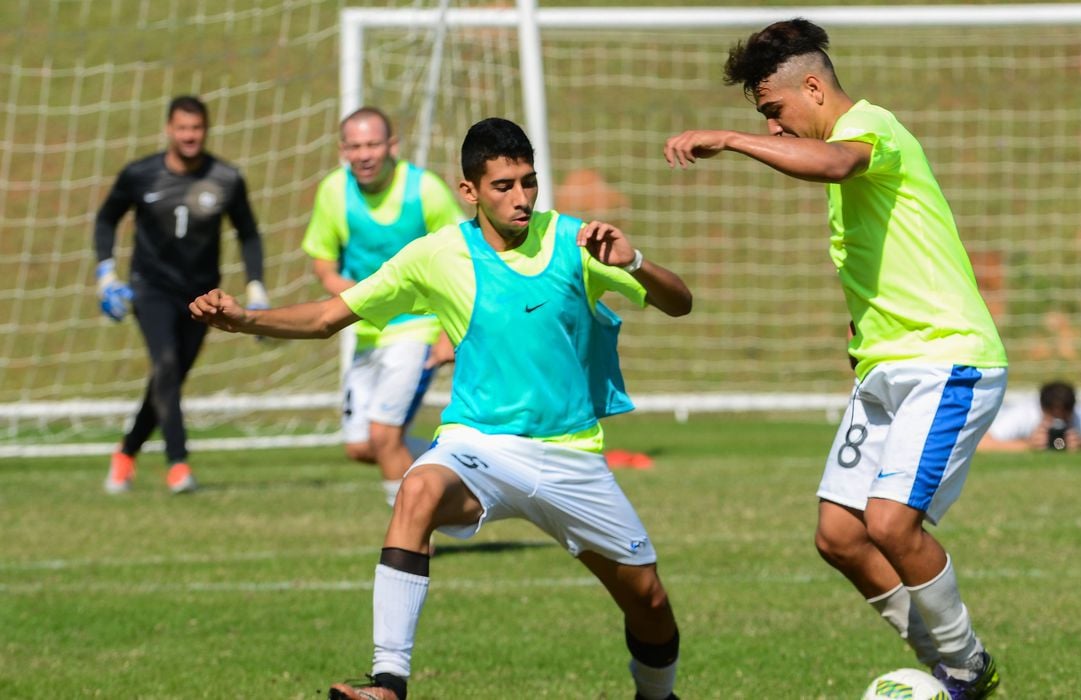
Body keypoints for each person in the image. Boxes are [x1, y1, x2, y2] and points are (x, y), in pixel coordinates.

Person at [191, 117, 693, 700]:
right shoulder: (436, 255)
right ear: (470, 191)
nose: (522, 198)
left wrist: (634, 262)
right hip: (478, 445)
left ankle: (657, 696)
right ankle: (388, 683)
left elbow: (679, 303)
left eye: (529, 182)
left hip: (569, 455)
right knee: (417, 489)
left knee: (648, 601)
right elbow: (331, 317)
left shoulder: (576, 241)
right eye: (503, 186)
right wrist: (244, 319)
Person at [664, 19, 1008, 699]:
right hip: (885, 367)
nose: (775, 129)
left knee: (888, 524)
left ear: (814, 88)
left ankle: (967, 669)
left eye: (774, 113)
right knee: (839, 537)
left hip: (946, 360)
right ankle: (953, 664)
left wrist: (731, 139)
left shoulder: (873, 129)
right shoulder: (844, 164)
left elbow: (837, 160)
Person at [95, 95, 268, 495]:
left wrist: (256, 286)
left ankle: (125, 453)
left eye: (197, 128)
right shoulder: (140, 175)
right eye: (182, 128)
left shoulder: (226, 178)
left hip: (203, 294)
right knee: (168, 366)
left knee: (167, 378)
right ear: (169, 130)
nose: (190, 136)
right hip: (151, 287)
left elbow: (249, 233)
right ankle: (178, 465)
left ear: (205, 131)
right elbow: (106, 219)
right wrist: (106, 274)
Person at [302, 106, 464, 505]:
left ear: (392, 145)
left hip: (417, 329)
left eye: (373, 144)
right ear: (343, 150)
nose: (365, 154)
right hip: (367, 333)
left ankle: (410, 538)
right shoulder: (334, 191)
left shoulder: (424, 190)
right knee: (361, 446)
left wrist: (449, 334)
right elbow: (323, 262)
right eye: (355, 146)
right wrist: (353, 292)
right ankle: (463, 464)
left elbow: (463, 260)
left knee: (384, 436)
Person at [979, 380, 1081, 452]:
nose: (1058, 424)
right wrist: (1029, 445)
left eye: (1063, 418)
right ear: (1042, 409)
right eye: (1052, 417)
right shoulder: (1023, 413)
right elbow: (982, 444)